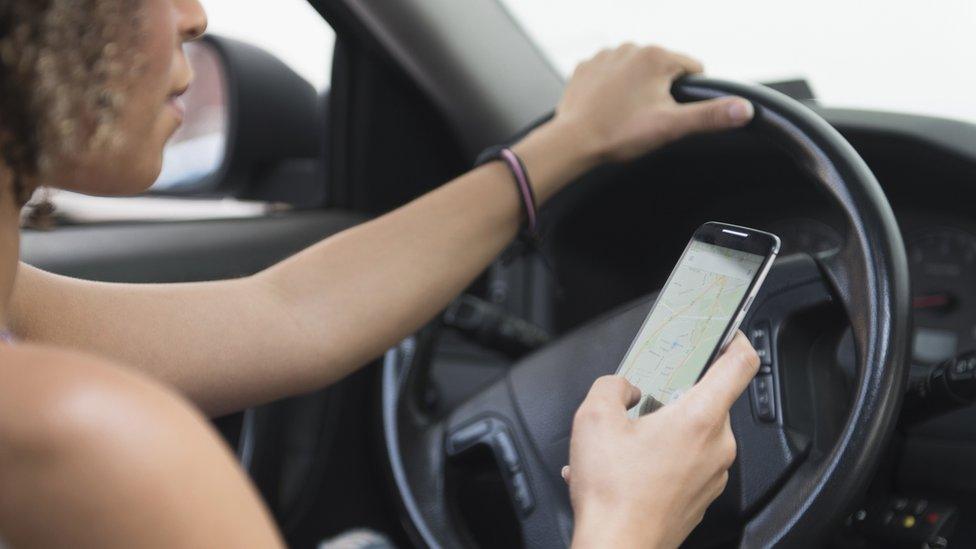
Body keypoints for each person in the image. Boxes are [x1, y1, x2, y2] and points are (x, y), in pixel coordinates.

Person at [0, 1, 760, 547]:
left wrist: (571, 141)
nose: (194, 15)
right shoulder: (87, 441)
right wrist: (631, 519)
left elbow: (288, 313)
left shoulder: (20, 327)